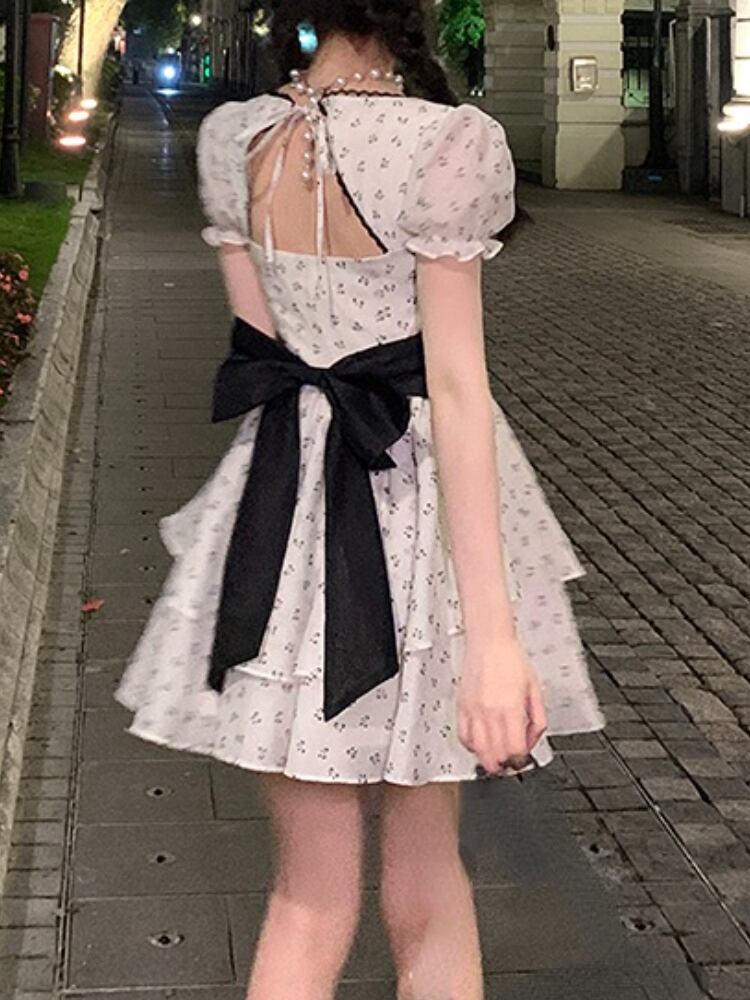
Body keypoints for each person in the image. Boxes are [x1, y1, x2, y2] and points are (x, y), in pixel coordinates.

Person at [114, 1, 606, 997]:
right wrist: (494, 641)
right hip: (413, 512)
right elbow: (455, 390)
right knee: (428, 881)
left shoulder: (235, 139)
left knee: (306, 898)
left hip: (283, 510)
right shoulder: (447, 142)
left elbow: (265, 357)